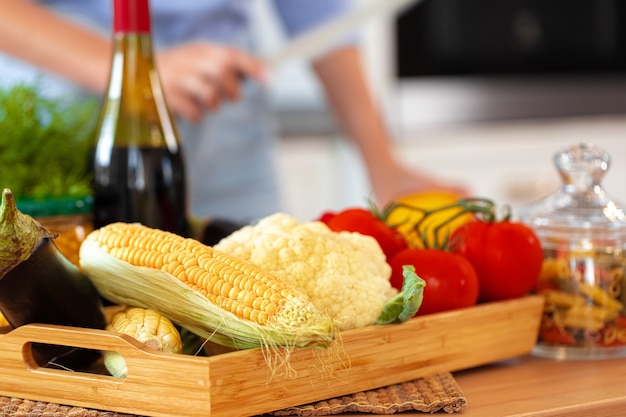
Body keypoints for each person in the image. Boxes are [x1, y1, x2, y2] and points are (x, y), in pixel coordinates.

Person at [0, 0, 466, 222]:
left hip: (224, 106)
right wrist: (138, 65)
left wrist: (381, 163)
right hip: (78, 113)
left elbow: (318, 14)